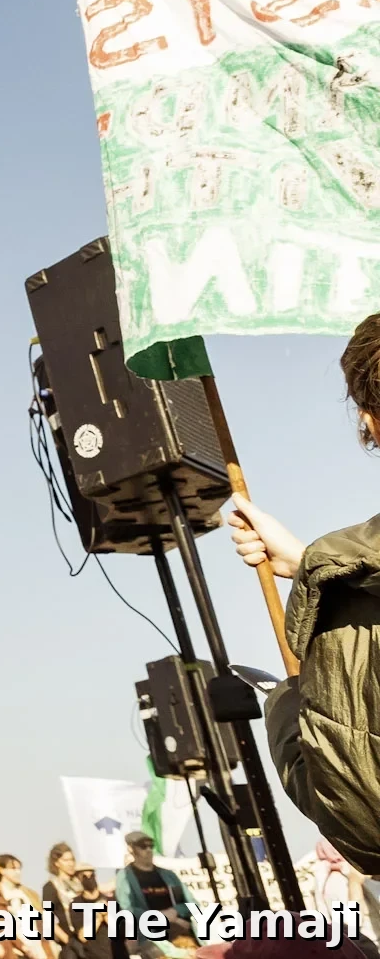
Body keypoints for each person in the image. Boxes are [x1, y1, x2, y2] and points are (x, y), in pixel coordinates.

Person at [225, 313, 380, 874]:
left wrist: (285, 704)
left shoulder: (347, 597)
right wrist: (307, 561)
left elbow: (362, 820)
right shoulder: (345, 577)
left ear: (369, 422)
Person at [114, 832, 191, 957]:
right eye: (143, 846)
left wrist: (176, 911)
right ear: (130, 849)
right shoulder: (125, 877)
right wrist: (160, 916)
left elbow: (191, 903)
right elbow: (127, 910)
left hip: (179, 934)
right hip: (151, 938)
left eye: (151, 846)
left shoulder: (169, 875)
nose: (149, 850)